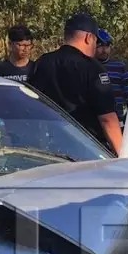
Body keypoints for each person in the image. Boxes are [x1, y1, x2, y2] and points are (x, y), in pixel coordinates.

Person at [27, 13, 122, 155]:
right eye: (96, 41)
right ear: (89, 38)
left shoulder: (42, 63)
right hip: (88, 149)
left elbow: (31, 107)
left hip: (51, 149)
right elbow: (108, 119)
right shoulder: (92, 68)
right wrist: (125, 157)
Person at [95, 29, 128, 119]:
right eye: (100, 45)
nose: (104, 50)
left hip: (117, 118)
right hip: (93, 119)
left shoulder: (120, 67)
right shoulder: (86, 65)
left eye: (107, 45)